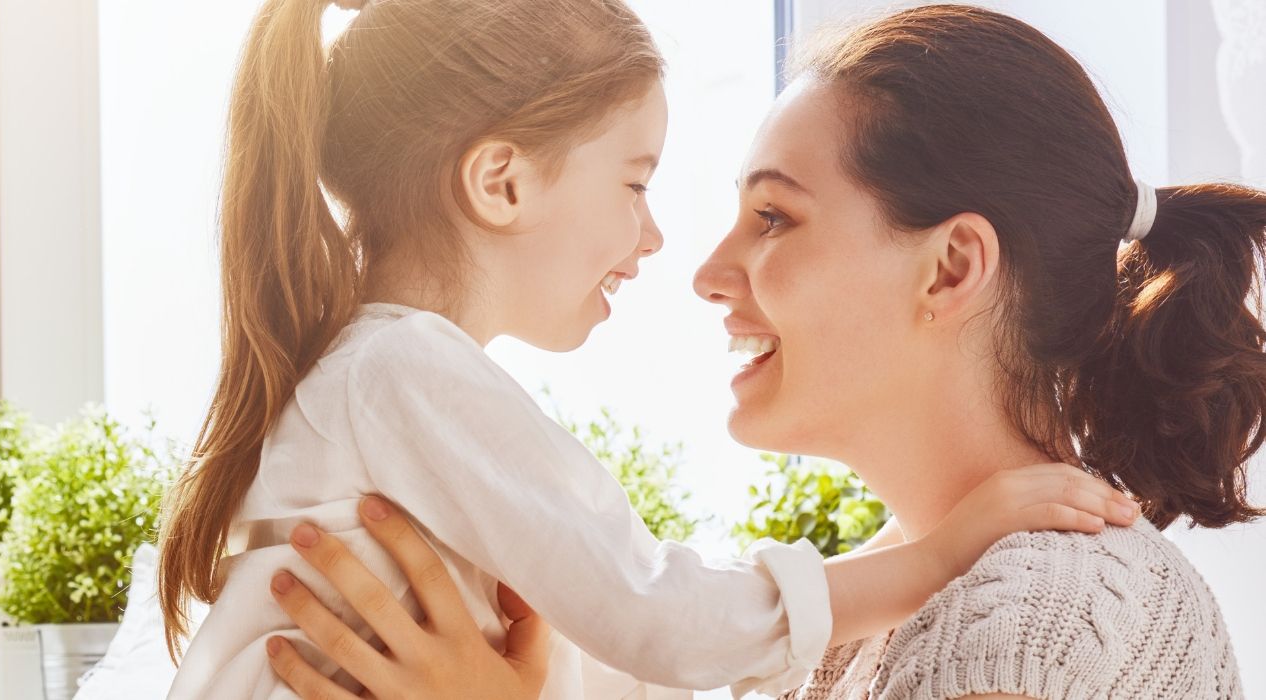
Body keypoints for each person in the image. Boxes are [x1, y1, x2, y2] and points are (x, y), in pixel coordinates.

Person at [262, 5, 1262, 699]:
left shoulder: (1045, 614)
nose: (703, 271)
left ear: (950, 268)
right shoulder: (864, 622)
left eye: (774, 217)